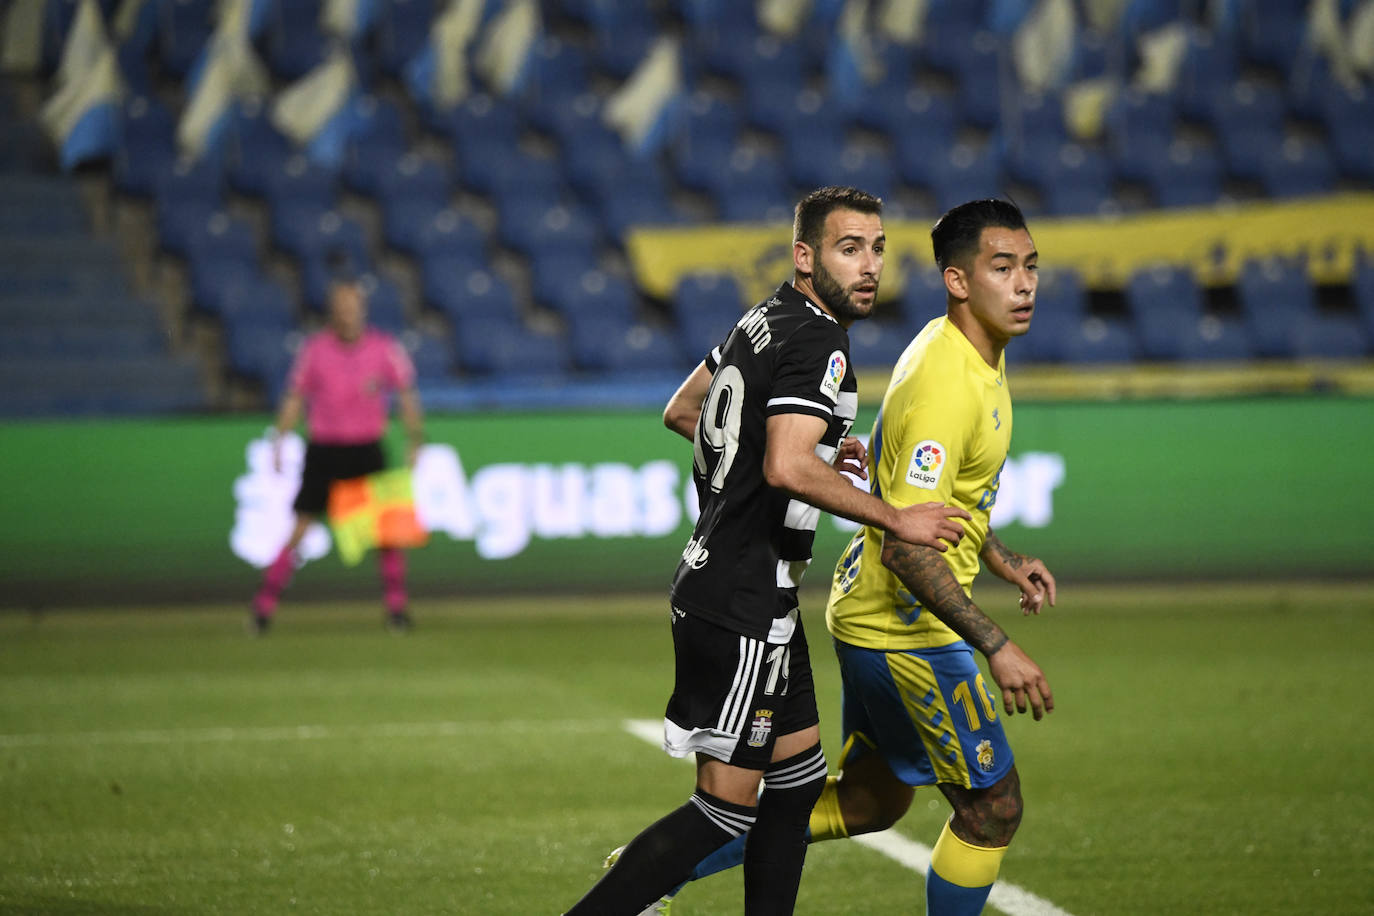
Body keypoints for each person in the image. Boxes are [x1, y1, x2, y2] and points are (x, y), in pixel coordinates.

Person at [624, 198, 1058, 916]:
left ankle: (653, 873)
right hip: (884, 621)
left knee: (856, 799)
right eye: (1004, 267)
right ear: (957, 280)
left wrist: (1000, 556)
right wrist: (997, 645)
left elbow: (924, 493)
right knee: (992, 808)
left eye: (1031, 267)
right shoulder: (920, 373)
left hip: (831, 606)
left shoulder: (930, 347)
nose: (1024, 284)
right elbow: (902, 535)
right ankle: (646, 874)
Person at [562, 186, 971, 916]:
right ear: (805, 257)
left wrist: (813, 448)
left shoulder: (765, 318)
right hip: (742, 597)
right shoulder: (820, 340)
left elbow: (684, 409)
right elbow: (785, 466)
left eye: (878, 249)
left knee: (798, 783)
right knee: (723, 810)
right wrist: (895, 517)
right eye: (849, 249)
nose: (870, 266)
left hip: (747, 590)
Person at [250, 259, 425, 634]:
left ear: (362, 308)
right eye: (340, 306)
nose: (346, 312)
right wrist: (279, 439)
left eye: (352, 305)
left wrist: (415, 439)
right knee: (300, 528)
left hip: (366, 448)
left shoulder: (384, 348)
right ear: (332, 310)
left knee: (386, 533)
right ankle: (264, 606)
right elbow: (295, 396)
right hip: (325, 450)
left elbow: (407, 393)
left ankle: (397, 609)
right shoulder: (315, 351)